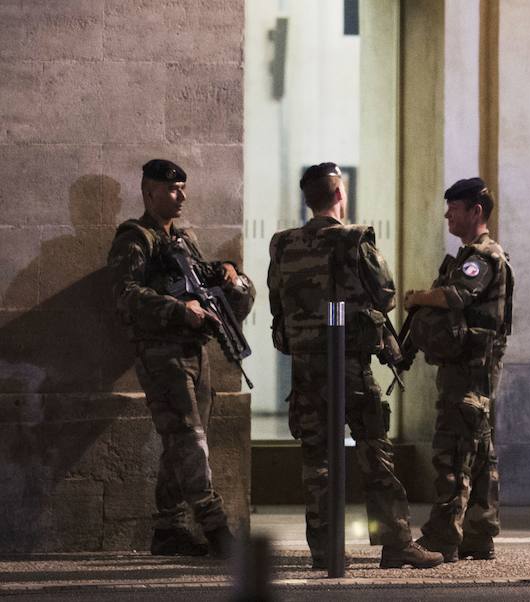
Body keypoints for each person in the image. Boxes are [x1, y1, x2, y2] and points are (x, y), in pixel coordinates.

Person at [267, 162, 443, 570]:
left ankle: (325, 548)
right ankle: (395, 542)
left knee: (316, 458)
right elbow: (385, 296)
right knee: (374, 454)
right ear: (339, 194)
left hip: (307, 367)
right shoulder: (354, 240)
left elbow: (277, 302)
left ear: (308, 199)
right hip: (349, 365)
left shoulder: (282, 244)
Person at [107, 159, 254, 558]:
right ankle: (216, 529)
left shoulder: (184, 239)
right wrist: (177, 310)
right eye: (173, 190)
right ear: (149, 192)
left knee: (182, 441)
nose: (182, 196)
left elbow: (199, 278)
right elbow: (124, 295)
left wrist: (226, 272)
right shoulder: (134, 239)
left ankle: (169, 529)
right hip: (161, 353)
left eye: (184, 188)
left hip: (194, 351)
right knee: (190, 440)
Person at [402, 177, 514, 563]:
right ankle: (478, 534)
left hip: (469, 371)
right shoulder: (473, 254)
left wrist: (417, 298)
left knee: (452, 453)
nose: (448, 213)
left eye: (455, 207)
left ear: (476, 211)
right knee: (479, 452)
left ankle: (442, 538)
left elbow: (456, 296)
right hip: (471, 370)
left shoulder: (481, 256)